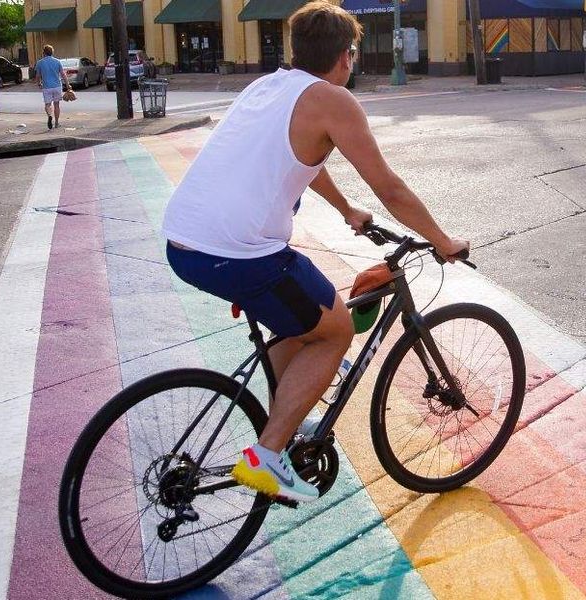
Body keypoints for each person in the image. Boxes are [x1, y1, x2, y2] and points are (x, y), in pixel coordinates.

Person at [161, 1, 468, 503]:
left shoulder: (268, 86)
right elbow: (390, 188)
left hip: (184, 242)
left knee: (299, 319)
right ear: (346, 56)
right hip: (238, 252)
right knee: (336, 330)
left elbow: (303, 157)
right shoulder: (333, 100)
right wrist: (442, 240)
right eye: (353, 54)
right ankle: (267, 456)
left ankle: (285, 420)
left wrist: (347, 209)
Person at [34, 45, 69, 130]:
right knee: (57, 105)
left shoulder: (40, 63)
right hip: (57, 86)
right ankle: (56, 123)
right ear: (52, 52)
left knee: (47, 105)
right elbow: (63, 74)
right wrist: (67, 84)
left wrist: (39, 83)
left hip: (46, 87)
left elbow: (38, 76)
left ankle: (50, 115)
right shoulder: (57, 61)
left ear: (44, 52)